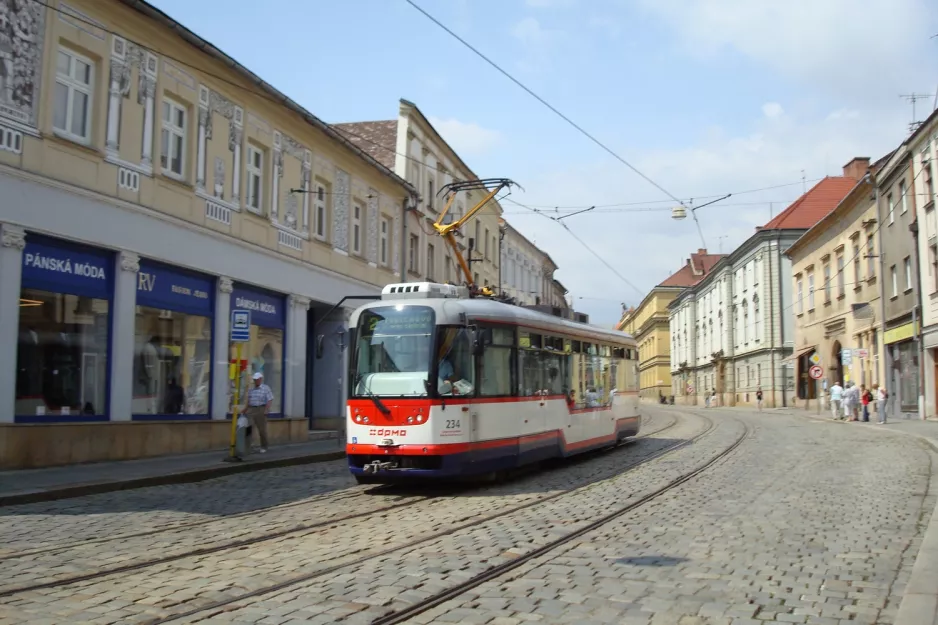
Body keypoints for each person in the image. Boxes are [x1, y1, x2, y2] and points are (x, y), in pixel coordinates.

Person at [245, 371, 273, 453]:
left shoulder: (265, 388)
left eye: (257, 379)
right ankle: (248, 446)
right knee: (248, 428)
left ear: (260, 379)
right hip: (252, 409)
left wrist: (266, 409)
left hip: (261, 408)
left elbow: (270, 399)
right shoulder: (251, 389)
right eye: (254, 379)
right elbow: (249, 401)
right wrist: (245, 409)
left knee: (262, 429)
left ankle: (264, 446)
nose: (255, 381)